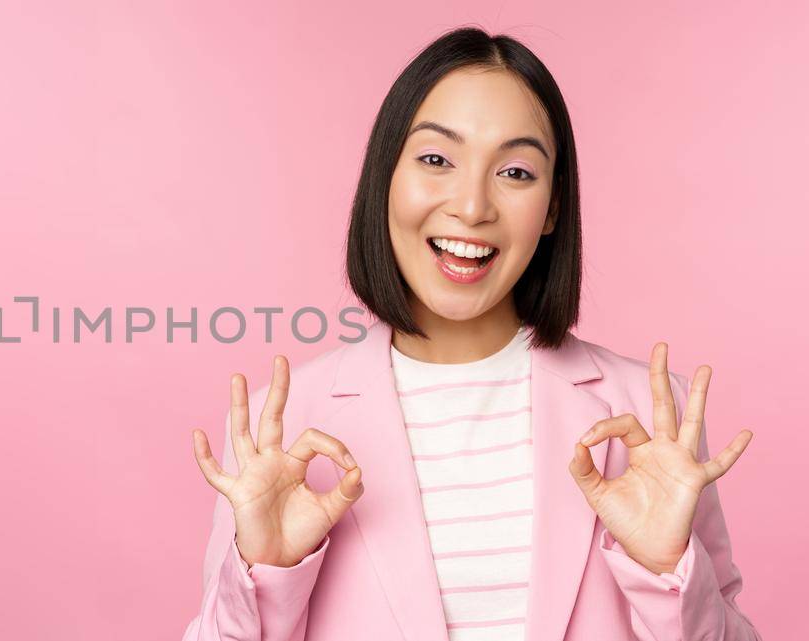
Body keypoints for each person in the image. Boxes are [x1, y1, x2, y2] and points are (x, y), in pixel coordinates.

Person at [181, 27, 761, 641]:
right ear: (386, 177)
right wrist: (264, 575)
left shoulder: (649, 417)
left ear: (553, 209)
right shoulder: (288, 420)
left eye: (515, 171)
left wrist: (666, 572)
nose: (472, 206)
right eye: (436, 160)